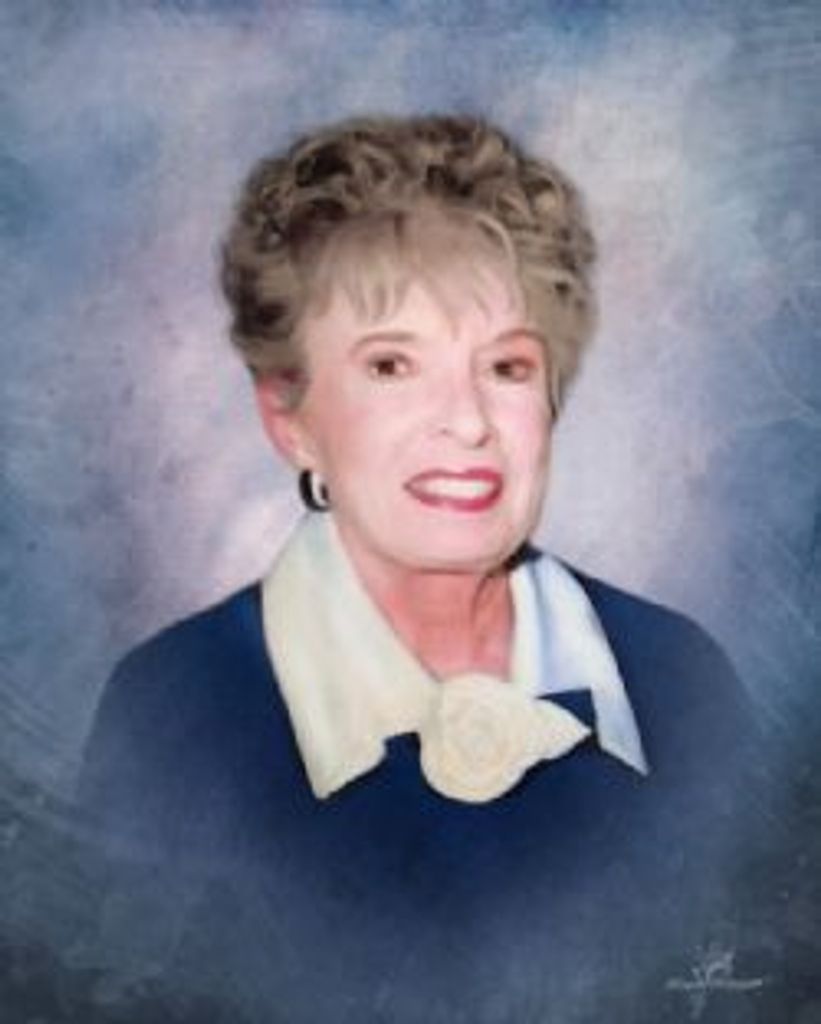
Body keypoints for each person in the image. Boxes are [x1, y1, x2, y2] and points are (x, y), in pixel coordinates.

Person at [79, 115, 764, 1023]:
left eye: (506, 366)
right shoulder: (173, 716)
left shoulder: (682, 682)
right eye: (392, 365)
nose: (468, 421)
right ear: (289, 418)